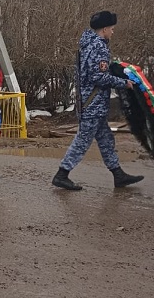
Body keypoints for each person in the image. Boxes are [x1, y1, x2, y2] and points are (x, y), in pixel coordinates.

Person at [52, 10, 144, 191]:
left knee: (105, 139)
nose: (113, 32)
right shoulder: (99, 46)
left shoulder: (88, 44)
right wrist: (123, 82)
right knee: (83, 140)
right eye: (111, 28)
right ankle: (62, 174)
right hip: (92, 104)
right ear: (104, 29)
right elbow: (98, 77)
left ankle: (118, 174)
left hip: (91, 103)